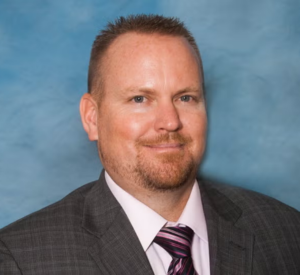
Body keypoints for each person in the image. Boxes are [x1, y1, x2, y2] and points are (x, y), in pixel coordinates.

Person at [0, 14, 299, 275]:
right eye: (140, 99)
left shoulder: (286, 232)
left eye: (185, 98)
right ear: (92, 118)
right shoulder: (20, 259)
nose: (169, 122)